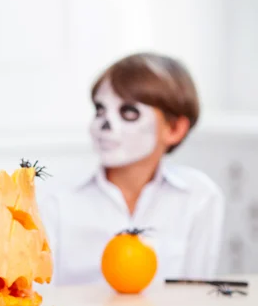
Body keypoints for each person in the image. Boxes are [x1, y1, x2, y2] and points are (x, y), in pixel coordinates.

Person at [39, 52, 225, 286]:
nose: (104, 125)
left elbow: (197, 299)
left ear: (175, 128)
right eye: (100, 109)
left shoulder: (200, 197)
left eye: (128, 112)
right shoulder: (55, 200)